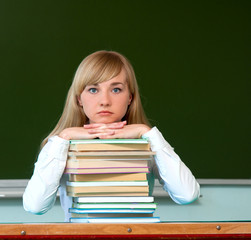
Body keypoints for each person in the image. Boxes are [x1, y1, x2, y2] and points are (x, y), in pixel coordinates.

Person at [23, 50, 200, 221]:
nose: (105, 101)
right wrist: (64, 136)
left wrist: (148, 132)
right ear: (79, 99)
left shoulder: (145, 144)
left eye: (116, 90)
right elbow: (35, 206)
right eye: (93, 90)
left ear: (130, 98)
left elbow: (187, 195)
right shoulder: (60, 145)